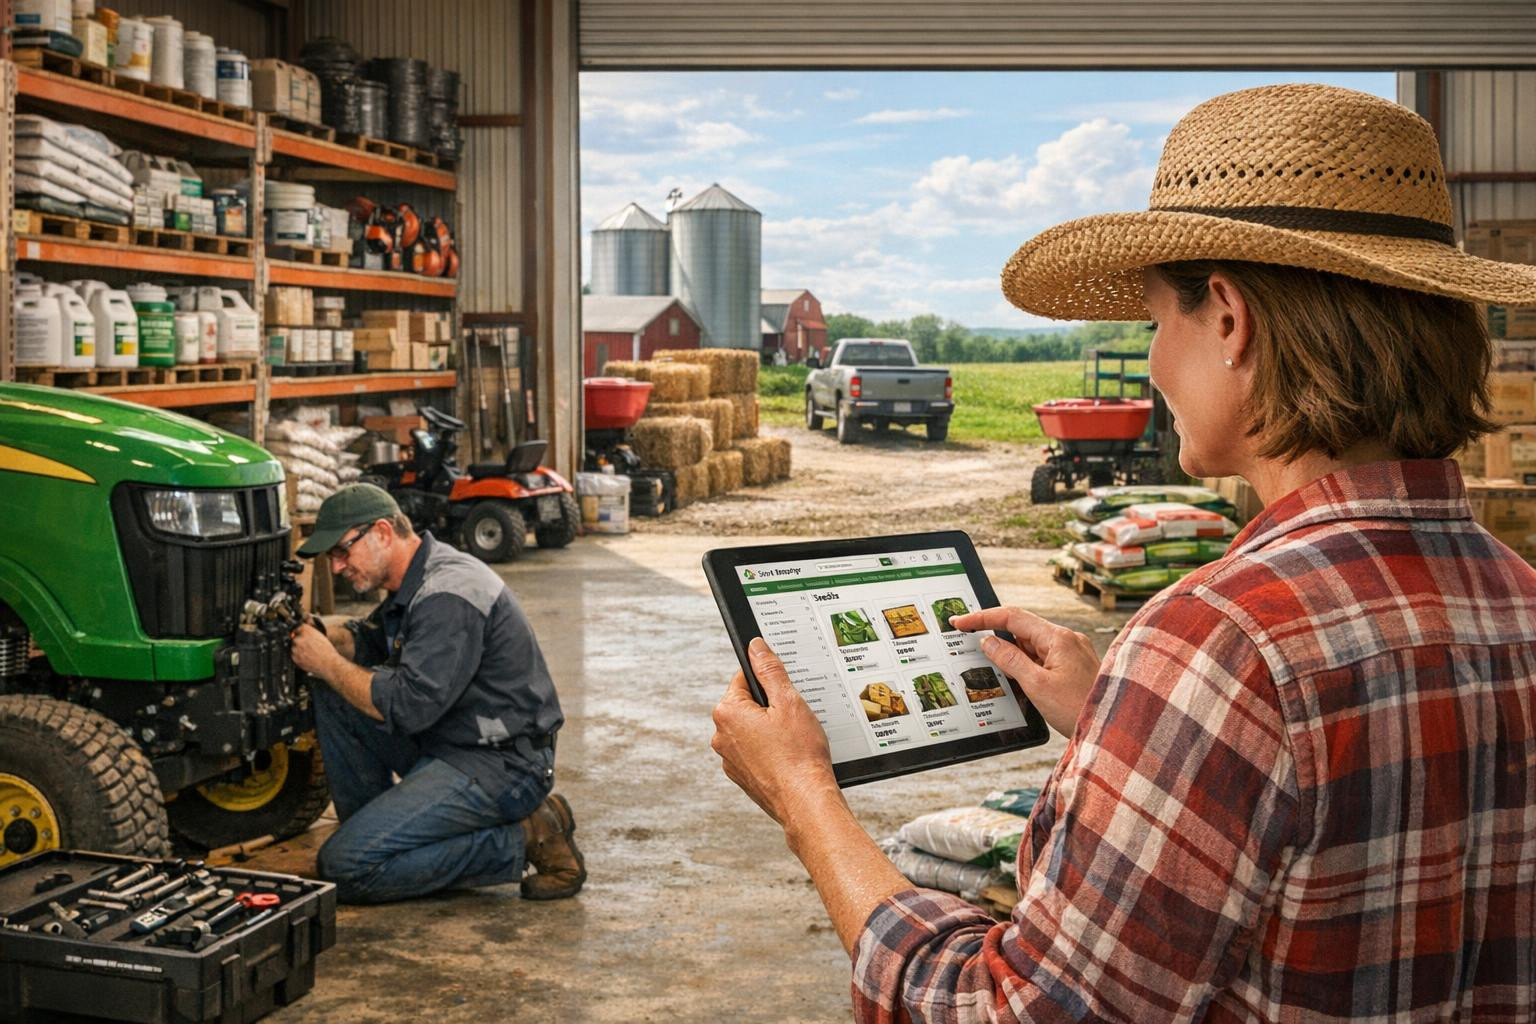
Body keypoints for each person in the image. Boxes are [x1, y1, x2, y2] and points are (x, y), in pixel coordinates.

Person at [711, 83, 1536, 1022]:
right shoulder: (1519, 599)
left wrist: (805, 796)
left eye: (1155, 321)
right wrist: (1123, 713)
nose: (1150, 361)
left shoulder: (1221, 645)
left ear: (1229, 320)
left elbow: (1010, 1012)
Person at [289, 483, 585, 905]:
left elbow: (408, 705)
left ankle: (528, 834)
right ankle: (380, 833)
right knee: (334, 692)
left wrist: (327, 662)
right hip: (454, 740)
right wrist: (326, 637)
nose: (336, 568)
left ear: (382, 533)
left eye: (342, 551)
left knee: (346, 868)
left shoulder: (449, 592)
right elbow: (372, 641)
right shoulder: (417, 578)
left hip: (503, 764)